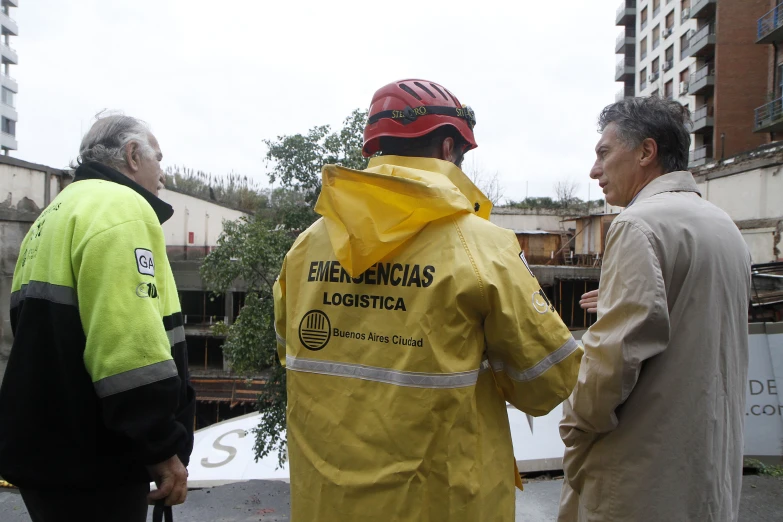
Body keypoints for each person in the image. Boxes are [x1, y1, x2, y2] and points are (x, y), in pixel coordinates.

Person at [273, 79, 582, 521]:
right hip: (445, 503)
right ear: (447, 148)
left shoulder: (305, 248)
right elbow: (545, 384)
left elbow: (292, 352)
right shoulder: (482, 248)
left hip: (328, 504)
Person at [558, 97, 751, 522]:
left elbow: (613, 361)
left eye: (604, 153)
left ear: (646, 152)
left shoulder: (637, 225)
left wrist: (574, 425)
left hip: (640, 473)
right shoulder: (723, 226)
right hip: (707, 468)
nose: (595, 171)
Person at [0, 114, 195, 522]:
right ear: (132, 154)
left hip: (45, 457)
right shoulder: (123, 207)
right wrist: (160, 446)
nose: (163, 173)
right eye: (158, 158)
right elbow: (128, 346)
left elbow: (21, 328)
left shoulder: (52, 216)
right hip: (98, 461)